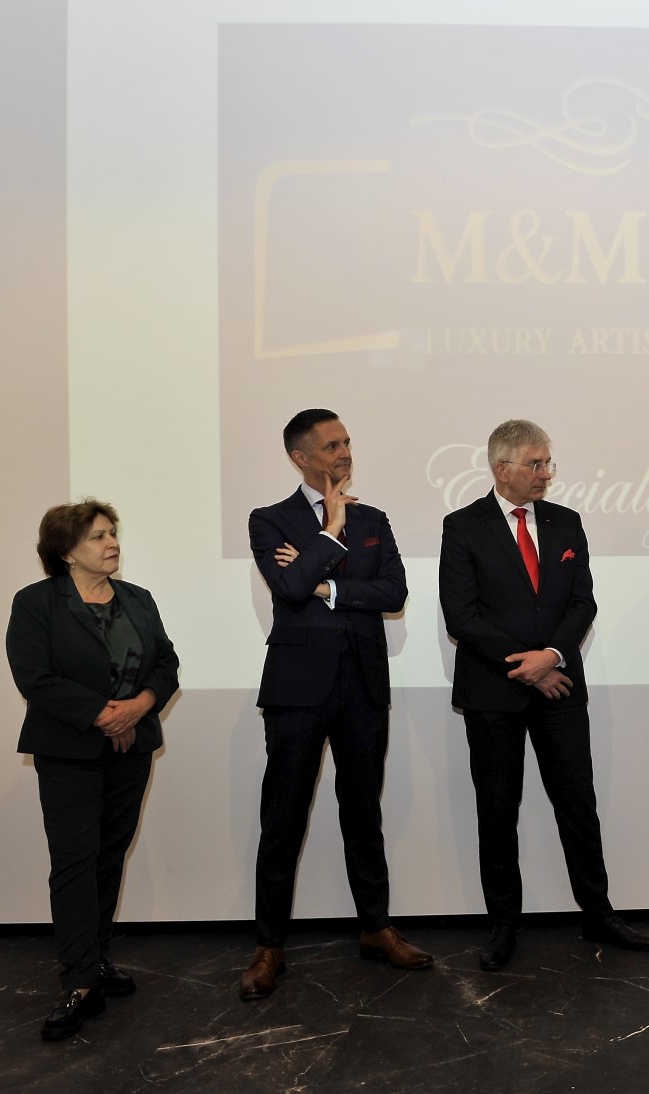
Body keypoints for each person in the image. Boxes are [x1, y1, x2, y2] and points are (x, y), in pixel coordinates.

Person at [439, 419, 649, 970]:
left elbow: (583, 603)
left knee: (578, 803)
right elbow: (462, 616)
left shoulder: (566, 522)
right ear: (502, 468)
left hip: (560, 687)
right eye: (535, 464)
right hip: (494, 692)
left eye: (547, 463)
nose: (545, 473)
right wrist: (531, 666)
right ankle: (503, 926)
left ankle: (598, 914)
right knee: (497, 810)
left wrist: (553, 655)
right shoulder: (462, 527)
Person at [239, 409, 429, 1000]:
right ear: (300, 457)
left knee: (363, 813)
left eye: (347, 442)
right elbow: (287, 587)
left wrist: (325, 584)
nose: (344, 452)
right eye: (331, 445)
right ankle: (269, 945)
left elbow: (393, 593)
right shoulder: (269, 520)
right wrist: (330, 531)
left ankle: (376, 927)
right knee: (283, 819)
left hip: (362, 686)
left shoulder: (376, 520)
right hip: (297, 690)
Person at [6, 500, 180, 1041]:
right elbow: (34, 677)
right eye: (98, 537)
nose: (112, 544)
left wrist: (139, 706)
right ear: (65, 552)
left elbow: (165, 664)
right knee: (75, 863)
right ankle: (78, 980)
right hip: (69, 752)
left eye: (112, 533)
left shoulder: (137, 599)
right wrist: (106, 715)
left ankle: (98, 959)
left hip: (132, 748)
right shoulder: (36, 602)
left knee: (109, 856)